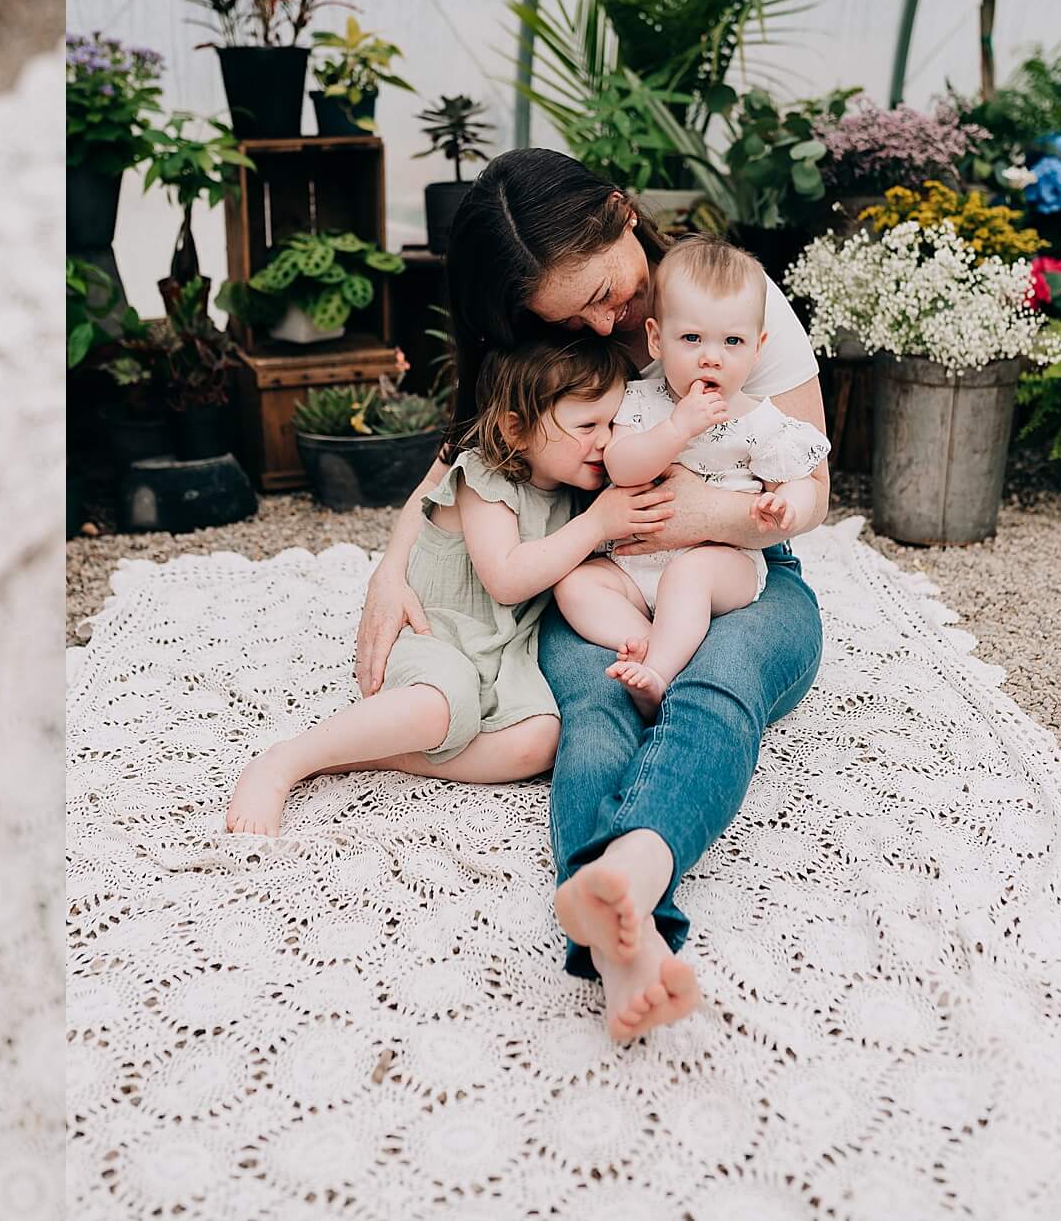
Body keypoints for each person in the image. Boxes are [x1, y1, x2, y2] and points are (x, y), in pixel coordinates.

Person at [355, 149, 828, 1042]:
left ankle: (633, 878)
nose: (611, 318)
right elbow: (460, 457)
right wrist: (393, 566)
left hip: (740, 572)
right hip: (599, 571)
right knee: (595, 704)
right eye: (578, 317)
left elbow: (814, 486)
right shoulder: (557, 329)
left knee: (714, 690)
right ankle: (624, 946)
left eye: (607, 292)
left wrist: (713, 512)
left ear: (620, 211)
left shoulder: (731, 304)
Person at [226, 337, 672, 836]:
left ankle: (393, 756)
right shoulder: (483, 478)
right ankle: (288, 761)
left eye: (612, 424)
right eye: (587, 426)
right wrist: (597, 525)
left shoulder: (571, 485)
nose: (606, 441)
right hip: (436, 633)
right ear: (517, 430)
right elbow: (505, 579)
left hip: (503, 650)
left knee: (541, 740)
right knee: (437, 703)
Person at [554, 237, 831, 720]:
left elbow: (805, 480)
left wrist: (788, 505)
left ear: (758, 348)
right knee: (575, 585)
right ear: (657, 339)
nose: (711, 358)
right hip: (633, 570)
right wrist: (677, 427)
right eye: (691, 340)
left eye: (732, 342)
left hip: (721, 564)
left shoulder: (760, 420)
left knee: (688, 575)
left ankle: (659, 673)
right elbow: (621, 466)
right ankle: (638, 642)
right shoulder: (641, 402)